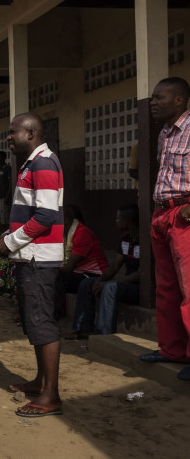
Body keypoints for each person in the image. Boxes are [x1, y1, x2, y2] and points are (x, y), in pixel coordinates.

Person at [0, 112, 64, 418]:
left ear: (31, 133)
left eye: (13, 132)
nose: (9, 137)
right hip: (28, 253)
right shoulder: (32, 163)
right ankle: (40, 381)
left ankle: (51, 395)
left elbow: (45, 215)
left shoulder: (44, 162)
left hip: (38, 257)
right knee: (33, 320)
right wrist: (7, 238)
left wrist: (10, 242)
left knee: (41, 321)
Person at [140, 77, 190, 380]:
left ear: (179, 100)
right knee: (167, 288)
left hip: (185, 216)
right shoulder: (164, 134)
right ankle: (172, 349)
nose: (153, 102)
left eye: (159, 97)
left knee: (189, 289)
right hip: (162, 216)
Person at [70, 204, 140, 339]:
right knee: (86, 283)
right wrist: (100, 280)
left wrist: (113, 283)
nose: (116, 221)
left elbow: (140, 274)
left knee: (110, 287)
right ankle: (82, 329)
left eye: (118, 218)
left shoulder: (144, 240)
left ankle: (103, 334)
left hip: (137, 289)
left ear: (128, 221)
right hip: (124, 284)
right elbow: (114, 267)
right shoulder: (126, 239)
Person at [57, 205, 107, 318]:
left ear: (66, 220)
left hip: (93, 275)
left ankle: (55, 314)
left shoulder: (81, 233)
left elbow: (69, 267)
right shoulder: (66, 233)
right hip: (79, 273)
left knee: (55, 276)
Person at [0, 151, 12, 234]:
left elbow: (11, 182)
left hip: (3, 197)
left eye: (0, 157)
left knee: (4, 218)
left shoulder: (7, 168)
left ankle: (5, 235)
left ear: (4, 158)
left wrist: (8, 196)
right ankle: (0, 235)